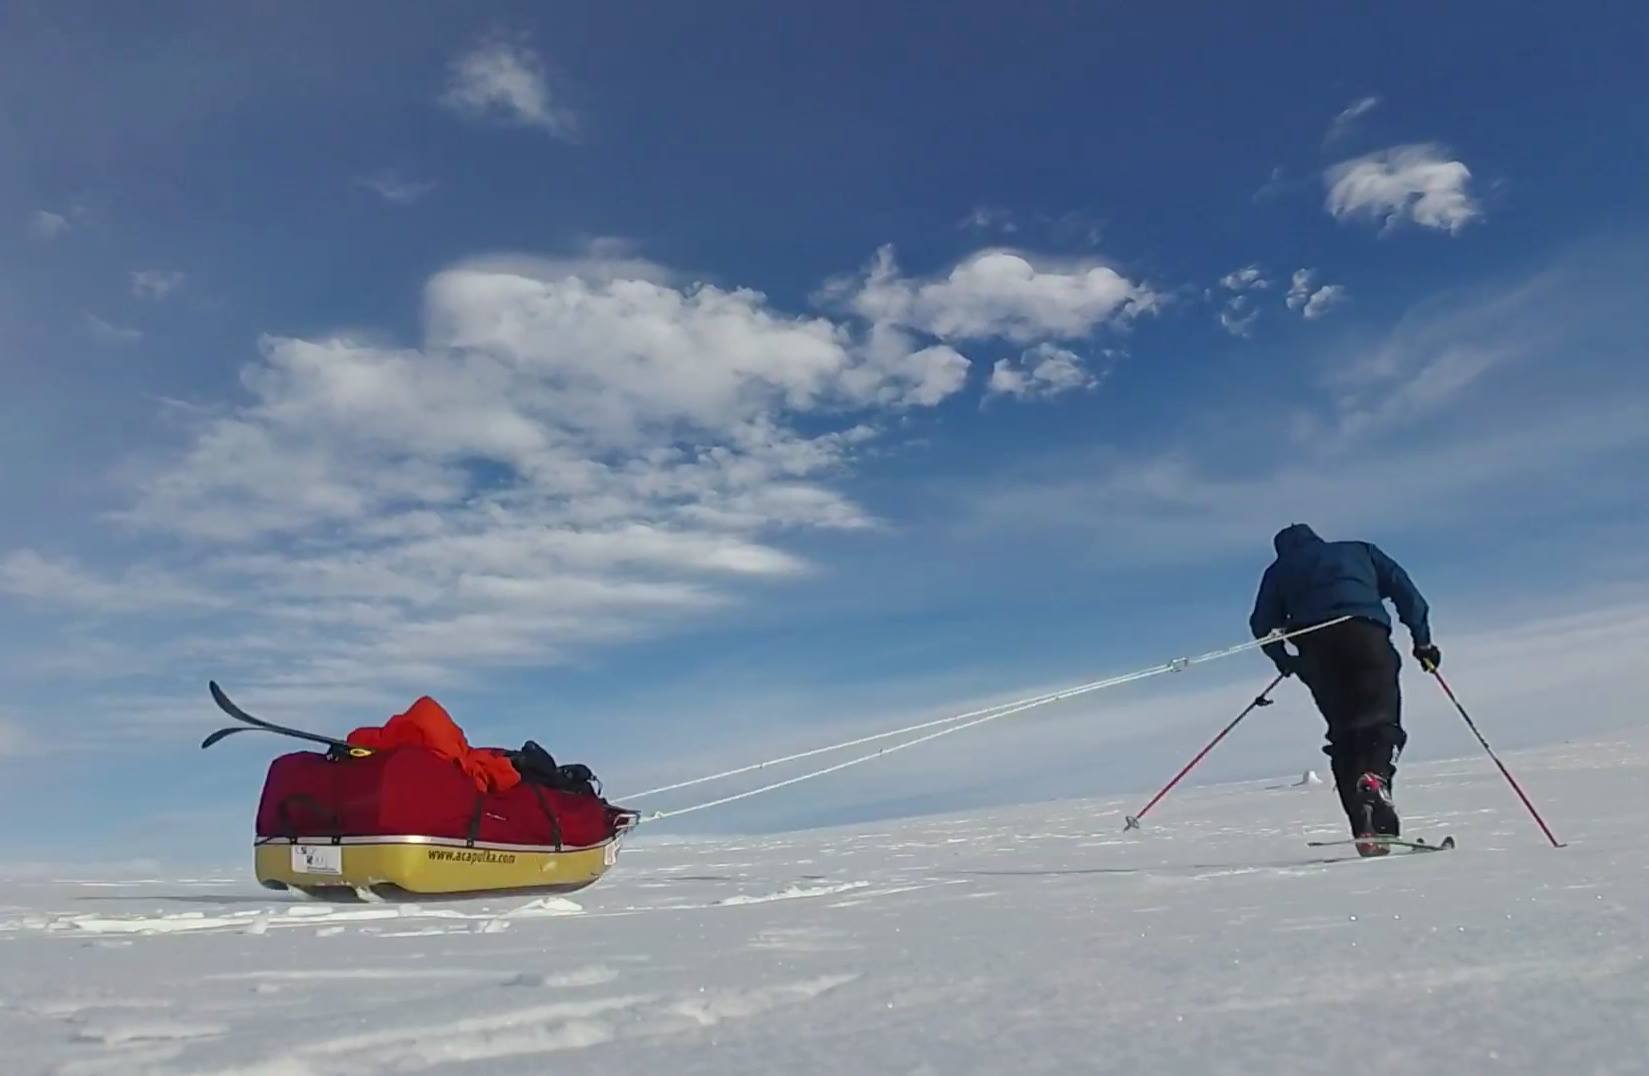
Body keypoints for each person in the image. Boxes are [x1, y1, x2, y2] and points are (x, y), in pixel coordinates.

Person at [1249, 524, 1441, 856]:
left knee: (1345, 736)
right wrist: (1422, 642)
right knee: (1381, 723)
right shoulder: (1360, 550)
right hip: (1367, 638)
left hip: (1316, 653)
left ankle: (1363, 828)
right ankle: (1376, 779)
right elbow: (1406, 592)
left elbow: (1261, 625)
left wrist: (1285, 660)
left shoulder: (1279, 571)